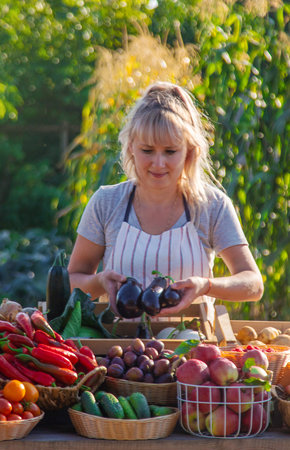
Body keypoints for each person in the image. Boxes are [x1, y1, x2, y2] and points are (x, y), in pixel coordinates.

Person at [67, 81, 264, 320]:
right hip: (118, 350)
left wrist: (206, 285)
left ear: (189, 152)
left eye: (170, 151)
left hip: (193, 350)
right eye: (147, 151)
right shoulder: (106, 202)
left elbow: (252, 284)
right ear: (131, 148)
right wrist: (99, 281)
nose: (158, 163)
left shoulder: (212, 205)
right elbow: (72, 280)